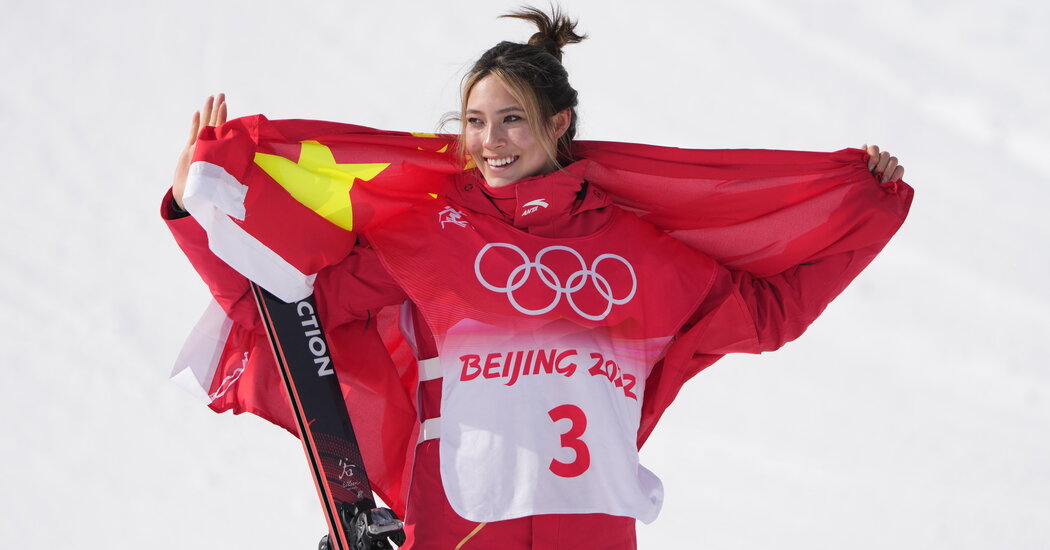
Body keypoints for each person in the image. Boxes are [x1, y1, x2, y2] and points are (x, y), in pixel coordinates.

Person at [164, 7, 908, 550]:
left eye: (512, 119)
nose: (490, 142)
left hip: (592, 524)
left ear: (561, 123)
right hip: (457, 522)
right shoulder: (426, 235)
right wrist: (205, 214)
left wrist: (867, 214)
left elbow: (771, 312)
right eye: (475, 122)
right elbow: (291, 309)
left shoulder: (641, 252)